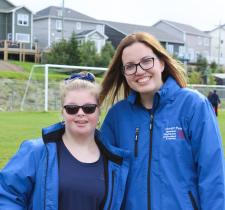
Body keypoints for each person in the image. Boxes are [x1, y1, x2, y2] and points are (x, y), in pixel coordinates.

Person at [99, 32, 225, 210]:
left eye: (146, 61)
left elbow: (213, 176)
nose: (139, 70)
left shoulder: (193, 105)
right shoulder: (117, 116)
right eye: (130, 66)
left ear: (161, 63)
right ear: (124, 73)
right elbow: (99, 174)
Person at [0, 72, 130, 210]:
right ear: (62, 112)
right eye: (72, 109)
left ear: (99, 112)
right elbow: (7, 195)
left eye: (89, 108)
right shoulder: (36, 151)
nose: (81, 113)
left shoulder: (114, 162)